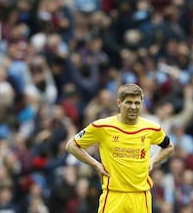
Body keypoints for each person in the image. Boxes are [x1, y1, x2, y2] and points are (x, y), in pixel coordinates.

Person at [66, 83, 174, 213]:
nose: (133, 107)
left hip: (141, 196)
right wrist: (96, 164)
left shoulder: (151, 128)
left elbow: (169, 147)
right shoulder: (103, 127)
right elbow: (72, 145)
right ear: (119, 103)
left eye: (137, 103)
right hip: (113, 195)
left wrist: (153, 160)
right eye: (128, 102)